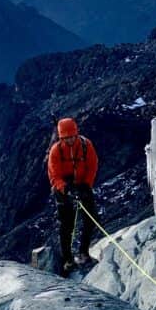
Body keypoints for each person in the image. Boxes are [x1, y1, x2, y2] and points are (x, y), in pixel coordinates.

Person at [47, 117, 99, 276]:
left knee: (90, 219)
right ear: (61, 138)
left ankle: (84, 252)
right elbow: (54, 176)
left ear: (76, 134)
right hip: (63, 188)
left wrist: (86, 185)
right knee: (66, 226)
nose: (69, 140)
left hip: (82, 184)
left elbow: (93, 165)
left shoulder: (85, 145)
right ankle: (68, 259)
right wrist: (66, 189)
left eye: (72, 136)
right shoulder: (56, 151)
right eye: (66, 138)